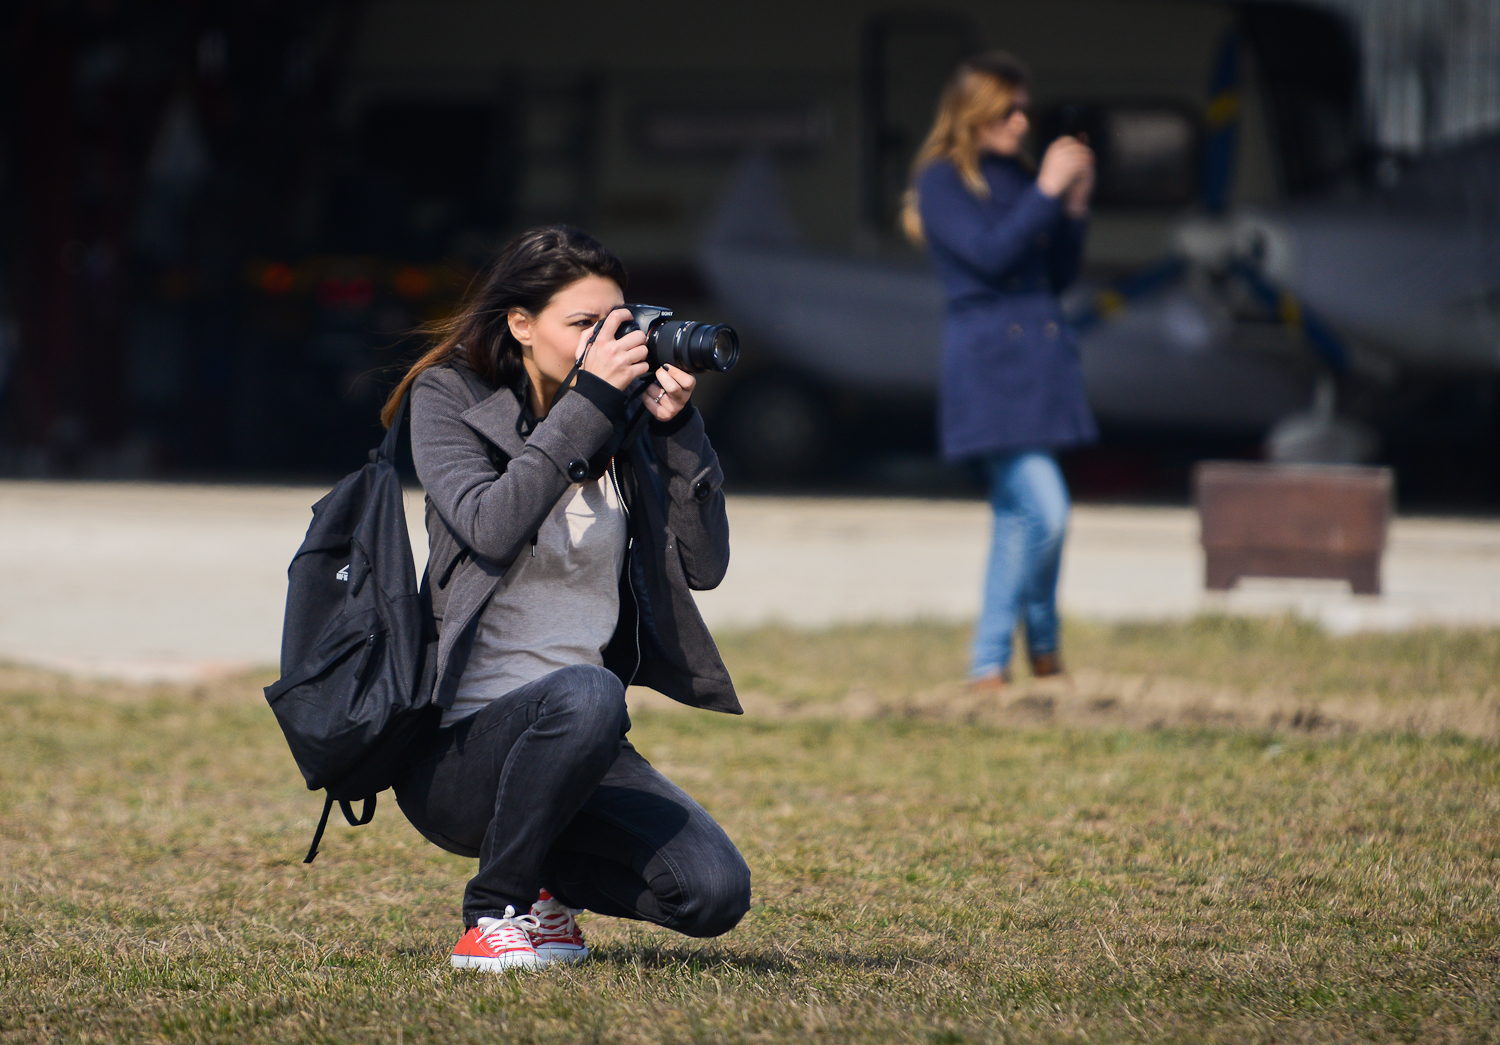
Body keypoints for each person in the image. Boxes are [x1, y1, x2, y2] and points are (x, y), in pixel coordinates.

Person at [379, 226, 751, 972]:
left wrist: (679, 429)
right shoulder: (449, 397)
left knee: (712, 893)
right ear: (521, 325)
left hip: (585, 745)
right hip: (460, 749)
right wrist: (588, 402)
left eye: (613, 323)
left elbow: (704, 566)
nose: (602, 342)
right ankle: (494, 913)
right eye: (582, 324)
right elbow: (490, 524)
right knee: (588, 690)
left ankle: (549, 884)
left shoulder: (626, 420)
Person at [901, 52, 1097, 690]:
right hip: (990, 370)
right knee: (1048, 510)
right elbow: (990, 257)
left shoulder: (1020, 175)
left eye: (1025, 111)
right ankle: (1040, 640)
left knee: (1018, 517)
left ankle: (992, 663)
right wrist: (1046, 191)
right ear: (975, 111)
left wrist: (1073, 206)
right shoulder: (940, 181)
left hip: (1040, 363)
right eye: (1008, 110)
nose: (1021, 122)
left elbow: (1055, 276)